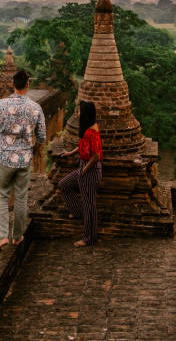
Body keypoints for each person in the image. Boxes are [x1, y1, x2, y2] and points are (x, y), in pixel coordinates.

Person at [0, 69, 46, 252]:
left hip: (3, 157)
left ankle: (2, 237)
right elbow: (42, 137)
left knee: (1, 196)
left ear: (13, 84)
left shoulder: (0, 105)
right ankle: (17, 236)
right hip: (24, 160)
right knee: (21, 197)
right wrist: (32, 151)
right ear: (27, 85)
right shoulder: (35, 108)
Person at [58, 100, 103, 247]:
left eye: (79, 111)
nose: (77, 113)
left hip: (90, 170)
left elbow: (96, 156)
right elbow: (83, 146)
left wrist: (83, 171)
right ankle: (77, 212)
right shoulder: (87, 129)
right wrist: (70, 153)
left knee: (90, 205)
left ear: (85, 114)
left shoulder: (93, 131)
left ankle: (90, 238)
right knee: (63, 185)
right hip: (84, 167)